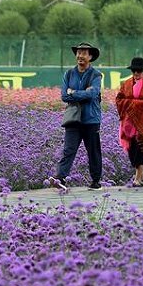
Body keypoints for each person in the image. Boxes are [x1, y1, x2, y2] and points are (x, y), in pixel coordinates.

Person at [48, 42, 103, 192]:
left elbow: (93, 94)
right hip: (73, 118)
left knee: (93, 150)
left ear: (90, 57)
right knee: (68, 149)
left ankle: (96, 180)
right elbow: (65, 96)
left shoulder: (96, 75)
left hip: (91, 119)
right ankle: (60, 178)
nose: (80, 55)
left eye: (84, 53)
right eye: (78, 52)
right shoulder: (69, 74)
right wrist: (79, 93)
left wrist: (74, 92)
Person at [114, 57, 143, 187]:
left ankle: (138, 178)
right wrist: (129, 103)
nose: (136, 73)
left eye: (138, 71)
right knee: (131, 149)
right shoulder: (126, 84)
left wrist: (138, 104)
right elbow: (119, 99)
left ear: (142, 71)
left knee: (140, 148)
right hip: (129, 123)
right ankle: (140, 173)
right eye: (134, 71)